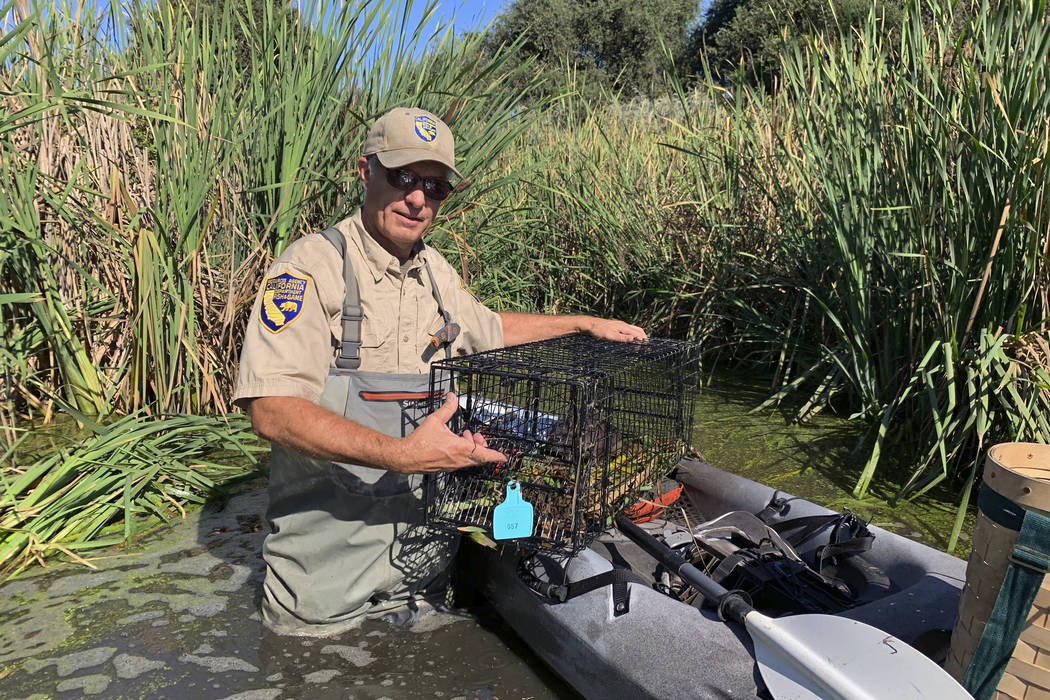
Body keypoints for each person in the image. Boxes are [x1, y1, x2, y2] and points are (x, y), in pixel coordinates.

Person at [233, 107, 647, 636]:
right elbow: (272, 413)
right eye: (403, 177)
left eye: (435, 186)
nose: (417, 199)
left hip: (423, 578)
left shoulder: (435, 270)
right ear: (365, 171)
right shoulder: (310, 268)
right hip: (326, 585)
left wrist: (582, 324)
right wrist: (403, 455)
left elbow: (491, 328)